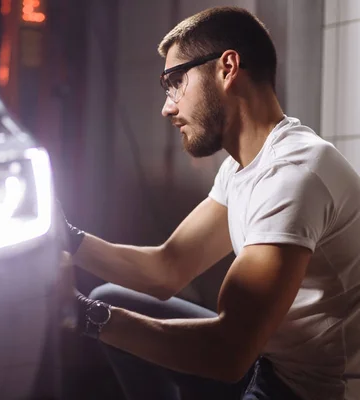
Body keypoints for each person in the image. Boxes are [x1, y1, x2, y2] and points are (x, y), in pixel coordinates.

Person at [59, 6, 360, 400]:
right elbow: (166, 269)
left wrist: (81, 316)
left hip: (306, 390)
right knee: (110, 299)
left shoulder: (294, 174)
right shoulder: (243, 167)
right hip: (264, 363)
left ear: (227, 67)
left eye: (175, 82)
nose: (168, 106)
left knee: (103, 311)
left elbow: (227, 353)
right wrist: (65, 238)